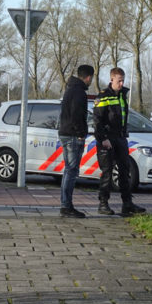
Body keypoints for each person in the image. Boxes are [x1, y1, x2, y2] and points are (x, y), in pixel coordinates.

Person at [93, 67, 146, 217]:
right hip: (107, 139)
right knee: (107, 172)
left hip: (120, 138)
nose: (121, 84)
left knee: (124, 171)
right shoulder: (103, 96)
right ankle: (103, 204)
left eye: (123, 80)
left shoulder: (123, 95)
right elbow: (97, 120)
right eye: (119, 81)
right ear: (111, 80)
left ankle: (127, 204)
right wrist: (103, 139)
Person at [58, 64, 95, 218]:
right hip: (73, 135)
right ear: (88, 77)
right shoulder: (79, 92)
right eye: (91, 78)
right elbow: (77, 115)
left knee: (68, 170)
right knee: (71, 171)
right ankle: (66, 206)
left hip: (65, 132)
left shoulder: (70, 89)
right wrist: (81, 133)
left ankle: (65, 204)